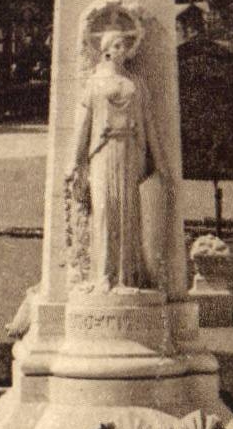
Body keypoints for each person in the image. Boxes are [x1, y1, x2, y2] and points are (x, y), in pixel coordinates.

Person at [66, 29, 169, 290]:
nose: (124, 51)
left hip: (131, 153)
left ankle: (127, 276)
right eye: (119, 45)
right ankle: (103, 274)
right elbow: (83, 126)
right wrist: (75, 162)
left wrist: (159, 161)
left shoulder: (135, 84)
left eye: (126, 45)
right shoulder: (94, 84)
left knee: (128, 213)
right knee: (103, 211)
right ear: (107, 50)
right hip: (103, 153)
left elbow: (149, 125)